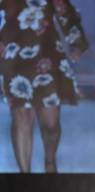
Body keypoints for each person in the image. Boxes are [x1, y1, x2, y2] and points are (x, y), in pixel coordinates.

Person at [0, 0, 89, 173]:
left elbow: (63, 8)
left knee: (50, 124)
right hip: (11, 52)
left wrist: (76, 43)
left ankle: (50, 161)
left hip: (46, 54)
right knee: (21, 115)